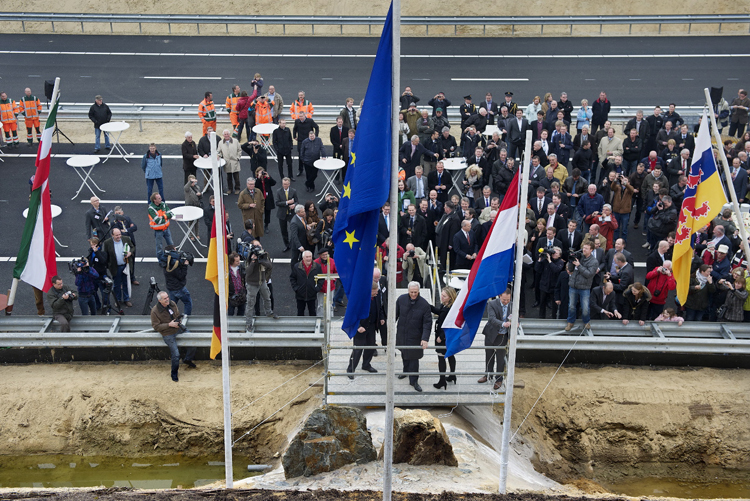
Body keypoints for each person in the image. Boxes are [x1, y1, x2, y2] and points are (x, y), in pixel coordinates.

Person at [151, 291, 197, 382]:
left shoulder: (172, 304)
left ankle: (187, 359)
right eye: (165, 298)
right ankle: (174, 373)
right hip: (167, 333)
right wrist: (169, 325)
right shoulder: (154, 311)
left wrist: (177, 322)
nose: (167, 299)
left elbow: (176, 314)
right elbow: (156, 327)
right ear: (160, 300)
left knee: (193, 343)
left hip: (178, 328)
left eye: (167, 297)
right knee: (176, 354)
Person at [395, 282, 432, 392]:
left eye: (415, 292)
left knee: (414, 359)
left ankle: (414, 380)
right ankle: (405, 371)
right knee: (404, 353)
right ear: (408, 291)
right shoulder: (401, 299)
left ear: (419, 291)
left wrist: (425, 339)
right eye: (411, 292)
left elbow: (427, 323)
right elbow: (395, 315)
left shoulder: (424, 304)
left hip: (415, 335)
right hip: (402, 333)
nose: (413, 294)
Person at [346, 281, 384, 379]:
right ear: (369, 291)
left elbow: (380, 307)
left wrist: (381, 318)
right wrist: (358, 326)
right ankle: (351, 369)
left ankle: (366, 364)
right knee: (358, 350)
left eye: (376, 291)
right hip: (361, 328)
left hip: (371, 326)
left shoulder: (377, 295)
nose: (376, 293)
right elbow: (352, 313)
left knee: (370, 347)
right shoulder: (359, 299)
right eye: (374, 291)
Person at [480, 289, 511, 390]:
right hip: (491, 333)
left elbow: (517, 317)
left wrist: (517, 322)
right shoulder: (492, 303)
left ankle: (499, 379)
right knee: (489, 354)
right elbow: (491, 319)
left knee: (500, 357)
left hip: (503, 335)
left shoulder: (513, 305)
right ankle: (488, 374)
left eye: (508, 300)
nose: (506, 302)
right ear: (499, 296)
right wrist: (503, 324)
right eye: (504, 300)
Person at [565, 242, 598, 331]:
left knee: (585, 307)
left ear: (591, 250)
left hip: (584, 287)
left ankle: (586, 321)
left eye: (586, 248)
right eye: (583, 248)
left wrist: (579, 265)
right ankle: (570, 322)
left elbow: (589, 274)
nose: (584, 250)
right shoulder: (579, 256)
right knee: (571, 306)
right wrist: (571, 260)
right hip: (573, 285)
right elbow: (571, 269)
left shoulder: (594, 261)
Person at [245, 239, 279, 321]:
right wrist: (253, 261)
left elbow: (269, 266)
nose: (259, 247)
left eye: (259, 245)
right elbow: (248, 272)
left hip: (262, 281)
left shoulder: (264, 254)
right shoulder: (248, 256)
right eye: (256, 246)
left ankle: (269, 312)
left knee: (267, 297)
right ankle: (248, 321)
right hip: (252, 283)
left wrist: (261, 260)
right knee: (250, 303)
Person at [431, 286, 457, 390]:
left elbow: (450, 324)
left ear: (450, 297)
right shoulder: (446, 306)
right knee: (450, 354)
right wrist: (428, 306)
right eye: (441, 295)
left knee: (441, 357)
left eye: (444, 296)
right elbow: (439, 312)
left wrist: (441, 337)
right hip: (446, 336)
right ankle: (452, 375)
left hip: (443, 337)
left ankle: (442, 381)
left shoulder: (450, 309)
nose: (441, 297)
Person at [103, 228, 134, 308]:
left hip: (125, 265)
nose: (119, 236)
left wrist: (130, 252)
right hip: (115, 267)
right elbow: (105, 255)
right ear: (112, 235)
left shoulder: (126, 239)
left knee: (126, 283)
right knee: (117, 284)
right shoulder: (107, 243)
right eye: (117, 235)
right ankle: (118, 300)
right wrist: (108, 266)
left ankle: (126, 299)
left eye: (120, 234)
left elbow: (132, 247)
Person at [110, 206, 139, 286]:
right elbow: (119, 233)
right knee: (122, 262)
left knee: (132, 261)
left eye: (119, 213)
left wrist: (126, 230)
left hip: (131, 243)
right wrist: (128, 230)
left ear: (122, 213)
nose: (118, 215)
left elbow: (135, 227)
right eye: (116, 214)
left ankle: (132, 277)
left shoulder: (127, 218)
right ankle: (122, 281)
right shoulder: (114, 223)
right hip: (122, 244)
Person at [161, 245, 192, 316]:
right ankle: (187, 317)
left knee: (171, 305)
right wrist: (184, 266)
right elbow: (181, 276)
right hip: (179, 288)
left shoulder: (165, 261)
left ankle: (170, 317)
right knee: (187, 302)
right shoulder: (175, 263)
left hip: (170, 287)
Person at [290, 250, 322, 316]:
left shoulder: (317, 267)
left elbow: (321, 278)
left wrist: (317, 288)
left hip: (312, 295)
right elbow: (292, 278)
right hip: (300, 295)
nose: (309, 258)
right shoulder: (296, 267)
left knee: (312, 312)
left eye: (310, 256)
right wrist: (296, 289)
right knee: (300, 312)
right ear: (303, 258)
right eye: (307, 257)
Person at [87, 237, 110, 313]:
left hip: (101, 277)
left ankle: (107, 308)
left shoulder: (103, 253)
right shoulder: (90, 253)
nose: (93, 246)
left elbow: (103, 261)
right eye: (91, 245)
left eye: (94, 244)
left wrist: (97, 252)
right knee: (93, 292)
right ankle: (97, 305)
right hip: (93, 277)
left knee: (104, 294)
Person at [148, 193, 174, 259]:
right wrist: (166, 217)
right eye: (159, 198)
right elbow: (158, 221)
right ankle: (161, 260)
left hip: (166, 229)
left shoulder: (163, 204)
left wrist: (163, 217)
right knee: (159, 247)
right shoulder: (151, 209)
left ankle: (173, 257)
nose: (161, 199)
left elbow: (171, 214)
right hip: (158, 231)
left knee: (171, 244)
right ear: (154, 200)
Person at [275, 177, 297, 252]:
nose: (285, 185)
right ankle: (287, 245)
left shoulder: (293, 191)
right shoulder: (279, 191)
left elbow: (297, 201)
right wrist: (287, 203)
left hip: (291, 213)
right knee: (283, 231)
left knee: (293, 229)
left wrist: (294, 205)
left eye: (286, 184)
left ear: (289, 184)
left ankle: (292, 243)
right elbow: (277, 203)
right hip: (282, 214)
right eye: (284, 184)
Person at [218, 129, 242, 195]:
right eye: (225, 134)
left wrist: (238, 158)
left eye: (227, 134)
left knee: (236, 177)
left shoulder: (235, 141)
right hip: (227, 162)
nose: (226, 135)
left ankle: (237, 188)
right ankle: (230, 189)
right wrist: (219, 156)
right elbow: (219, 151)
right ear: (223, 135)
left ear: (229, 134)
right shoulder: (220, 143)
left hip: (235, 162)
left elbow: (239, 150)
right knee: (229, 177)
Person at [226, 252, 246, 317]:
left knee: (241, 312)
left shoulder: (241, 267)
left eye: (239, 260)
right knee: (230, 312)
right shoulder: (226, 270)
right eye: (237, 261)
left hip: (241, 294)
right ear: (232, 261)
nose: (239, 262)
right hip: (231, 295)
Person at [184, 175, 203, 241]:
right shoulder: (187, 188)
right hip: (190, 206)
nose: (194, 183)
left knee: (197, 221)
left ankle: (197, 234)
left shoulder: (197, 187)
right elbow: (186, 187)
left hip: (196, 205)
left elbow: (201, 196)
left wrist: (200, 194)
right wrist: (190, 181)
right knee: (191, 221)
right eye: (192, 181)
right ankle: (191, 234)